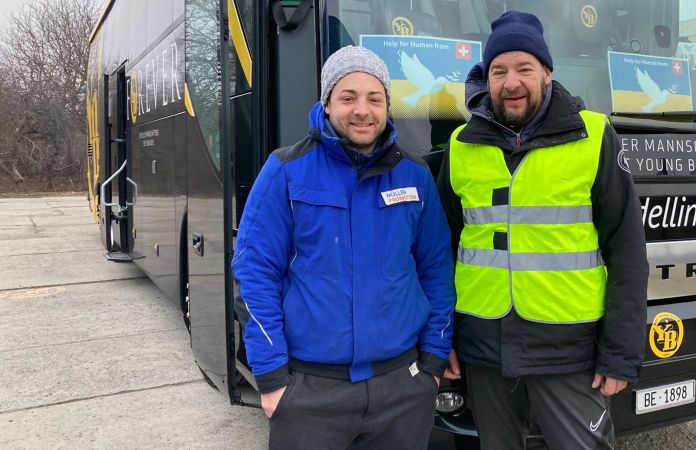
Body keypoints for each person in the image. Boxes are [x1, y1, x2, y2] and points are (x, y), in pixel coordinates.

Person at [436, 11, 648, 449]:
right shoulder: (460, 146)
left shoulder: (593, 137)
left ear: (547, 73)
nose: (511, 82)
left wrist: (621, 353)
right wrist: (441, 339)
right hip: (483, 347)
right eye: (499, 71)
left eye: (524, 69)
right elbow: (439, 253)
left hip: (567, 351)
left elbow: (626, 250)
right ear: (486, 77)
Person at [232, 45, 455, 450]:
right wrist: (272, 381)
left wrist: (433, 364)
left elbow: (436, 268)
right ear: (327, 103)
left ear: (388, 105)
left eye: (375, 98)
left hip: (402, 389)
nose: (362, 110)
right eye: (348, 97)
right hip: (310, 392)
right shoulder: (285, 170)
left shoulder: (415, 175)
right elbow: (254, 274)